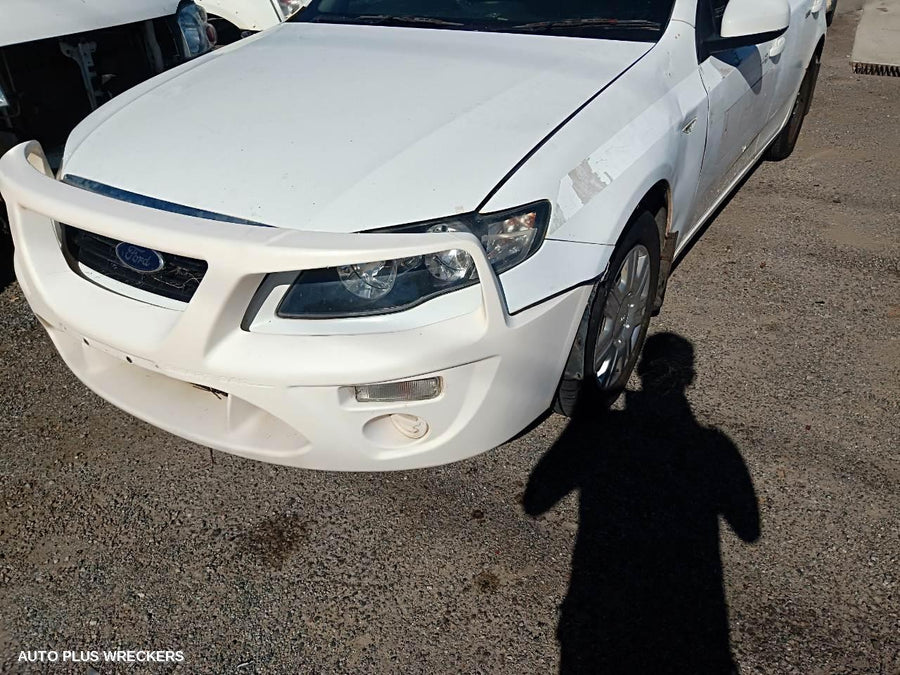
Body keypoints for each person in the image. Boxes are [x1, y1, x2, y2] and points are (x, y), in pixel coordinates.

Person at [523, 332, 760, 674]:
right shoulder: (713, 449)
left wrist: (581, 427)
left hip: (604, 618)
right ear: (689, 379)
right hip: (686, 626)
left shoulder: (604, 435)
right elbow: (748, 528)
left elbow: (535, 500)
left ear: (639, 372)